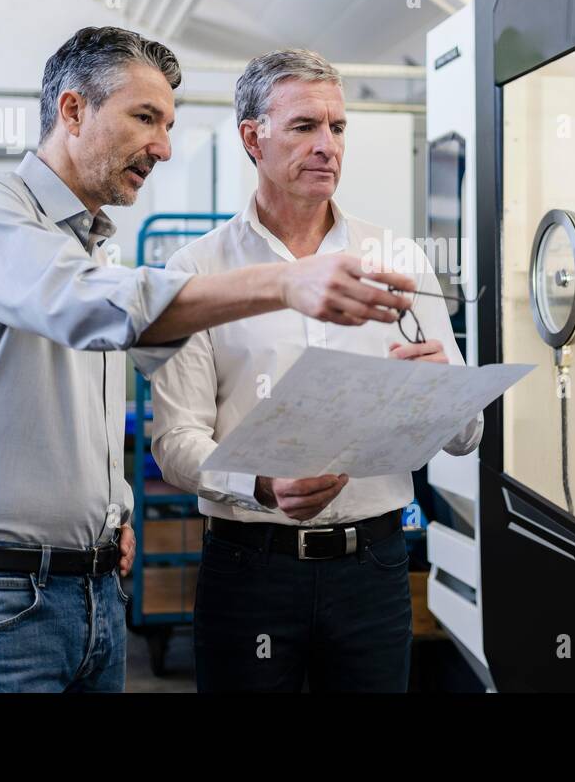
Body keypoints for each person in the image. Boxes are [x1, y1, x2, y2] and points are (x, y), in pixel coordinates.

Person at [0, 28, 413, 692]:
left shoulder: (89, 249)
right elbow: (88, 307)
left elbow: (95, 392)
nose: (164, 147)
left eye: (169, 123)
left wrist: (112, 508)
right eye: (145, 117)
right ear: (72, 112)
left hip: (91, 593)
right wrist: (283, 282)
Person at [152, 48, 481, 692]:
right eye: (305, 126)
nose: (327, 145)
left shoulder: (396, 257)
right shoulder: (197, 273)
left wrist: (442, 390)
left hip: (374, 569)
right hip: (251, 570)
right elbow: (175, 444)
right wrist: (262, 483)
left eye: (337, 127)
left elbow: (465, 436)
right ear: (254, 137)